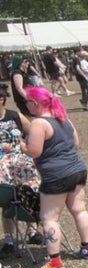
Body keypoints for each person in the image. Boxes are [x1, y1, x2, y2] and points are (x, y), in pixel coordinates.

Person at [20, 87, 88, 268]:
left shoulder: (39, 123)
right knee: (79, 210)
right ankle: (87, 248)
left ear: (34, 103)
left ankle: (54, 261)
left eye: (27, 101)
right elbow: (76, 144)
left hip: (56, 175)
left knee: (49, 218)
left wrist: (23, 146)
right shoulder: (64, 118)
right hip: (77, 169)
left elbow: (34, 151)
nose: (25, 104)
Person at [0, 83, 41, 255]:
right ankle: (9, 239)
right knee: (6, 200)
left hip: (21, 162)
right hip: (1, 166)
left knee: (29, 194)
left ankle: (32, 232)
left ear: (1, 100)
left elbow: (32, 131)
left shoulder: (14, 116)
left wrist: (27, 148)